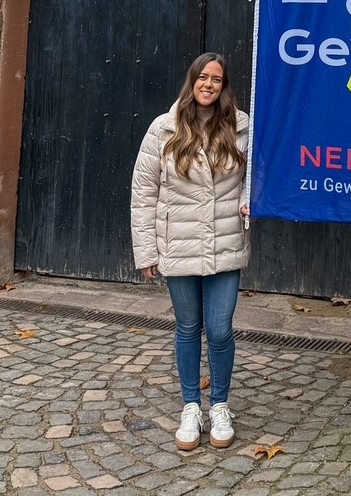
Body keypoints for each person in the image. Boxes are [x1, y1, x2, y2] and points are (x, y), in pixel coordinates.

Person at [131, 53, 250, 451]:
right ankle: (190, 406)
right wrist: (146, 250)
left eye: (216, 79)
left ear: (224, 86)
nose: (209, 84)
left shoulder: (242, 126)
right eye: (202, 77)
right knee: (187, 327)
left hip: (225, 242)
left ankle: (219, 405)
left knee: (218, 329)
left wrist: (252, 201)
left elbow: (259, 173)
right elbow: (144, 192)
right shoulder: (163, 129)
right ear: (192, 81)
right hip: (177, 244)